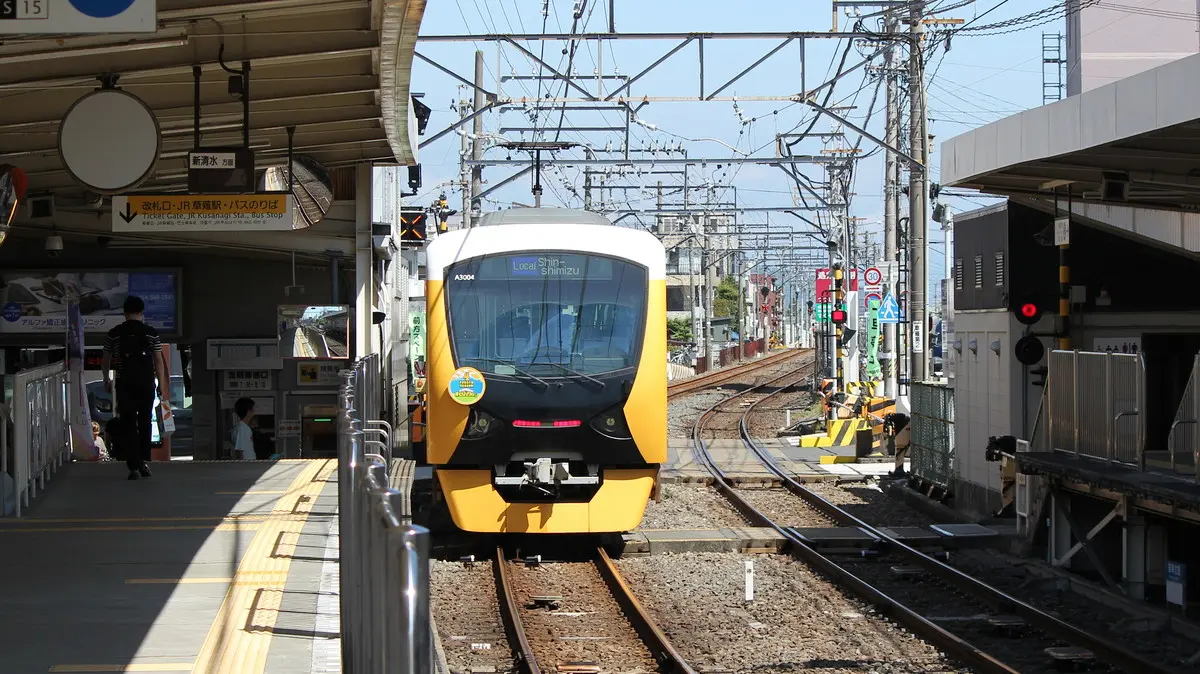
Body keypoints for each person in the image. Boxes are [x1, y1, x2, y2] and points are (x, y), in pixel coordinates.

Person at [103, 296, 169, 481]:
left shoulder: (114, 333)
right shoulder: (151, 332)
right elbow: (158, 361)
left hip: (124, 383)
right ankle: (143, 461)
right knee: (145, 421)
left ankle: (132, 466)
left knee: (128, 423)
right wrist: (161, 386)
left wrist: (106, 379)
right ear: (142, 312)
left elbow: (106, 359)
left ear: (124, 313)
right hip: (146, 383)